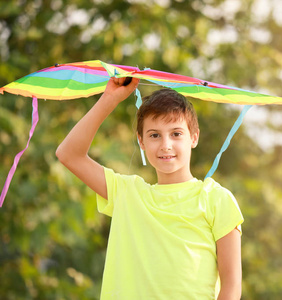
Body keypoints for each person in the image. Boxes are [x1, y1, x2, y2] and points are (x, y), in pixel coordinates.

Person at [56, 77, 244, 299]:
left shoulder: (217, 199)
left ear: (193, 137)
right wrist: (109, 99)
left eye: (176, 133)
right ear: (141, 142)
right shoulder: (127, 193)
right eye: (154, 135)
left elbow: (231, 288)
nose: (166, 145)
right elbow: (68, 154)